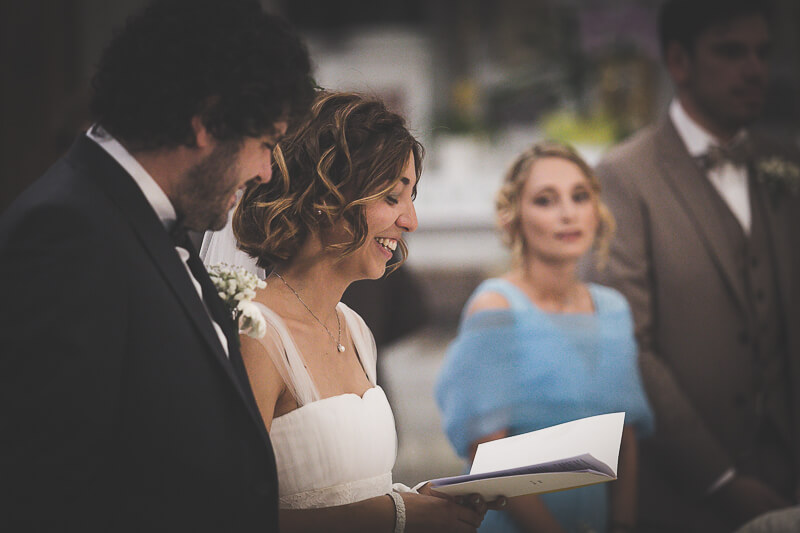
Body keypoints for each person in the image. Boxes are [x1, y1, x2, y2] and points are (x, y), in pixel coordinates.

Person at [0, 0, 314, 531]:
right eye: (265, 144)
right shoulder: (67, 232)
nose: (265, 171)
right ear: (208, 122)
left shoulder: (139, 220)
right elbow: (49, 484)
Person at [202, 91, 498, 532]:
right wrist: (397, 515)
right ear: (326, 196)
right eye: (392, 197)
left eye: (411, 197)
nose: (411, 221)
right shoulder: (254, 333)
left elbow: (348, 490)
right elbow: (227, 515)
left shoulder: (354, 327)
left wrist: (418, 502)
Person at [587, 0, 800, 531]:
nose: (754, 69)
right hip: (686, 495)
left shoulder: (786, 163)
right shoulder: (624, 175)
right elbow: (630, 344)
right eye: (731, 52)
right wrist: (721, 480)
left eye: (762, 52)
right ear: (679, 62)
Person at [435, 141, 654, 533]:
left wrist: (623, 523)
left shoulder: (613, 309)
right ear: (513, 217)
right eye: (545, 200)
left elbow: (626, 434)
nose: (568, 213)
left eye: (580, 196)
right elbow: (487, 449)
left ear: (596, 210)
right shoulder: (496, 307)